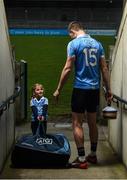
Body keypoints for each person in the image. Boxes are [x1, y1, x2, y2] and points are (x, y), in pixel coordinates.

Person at [53, 21, 112, 169]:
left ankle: (81, 158)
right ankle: (92, 154)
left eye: (70, 35)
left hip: (80, 89)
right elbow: (104, 69)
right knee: (92, 122)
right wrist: (108, 89)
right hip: (94, 89)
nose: (70, 38)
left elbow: (67, 68)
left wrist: (59, 88)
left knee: (77, 123)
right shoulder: (98, 44)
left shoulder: (73, 44)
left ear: (73, 31)